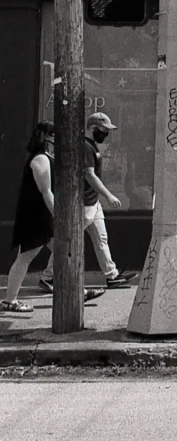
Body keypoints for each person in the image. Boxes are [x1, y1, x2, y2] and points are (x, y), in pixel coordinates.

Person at [2, 121, 103, 313]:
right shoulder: (40, 159)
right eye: (56, 136)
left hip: (42, 216)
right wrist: (59, 216)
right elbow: (46, 191)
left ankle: (78, 290)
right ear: (47, 137)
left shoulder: (47, 157)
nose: (59, 139)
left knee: (64, 251)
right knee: (26, 257)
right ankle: (10, 300)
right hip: (37, 217)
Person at [39, 113, 136, 292]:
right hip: (84, 203)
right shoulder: (85, 147)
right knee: (68, 240)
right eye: (104, 130)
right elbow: (89, 174)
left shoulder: (91, 146)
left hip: (93, 202)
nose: (106, 134)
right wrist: (109, 195)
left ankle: (111, 275)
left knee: (101, 239)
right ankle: (49, 276)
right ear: (93, 128)